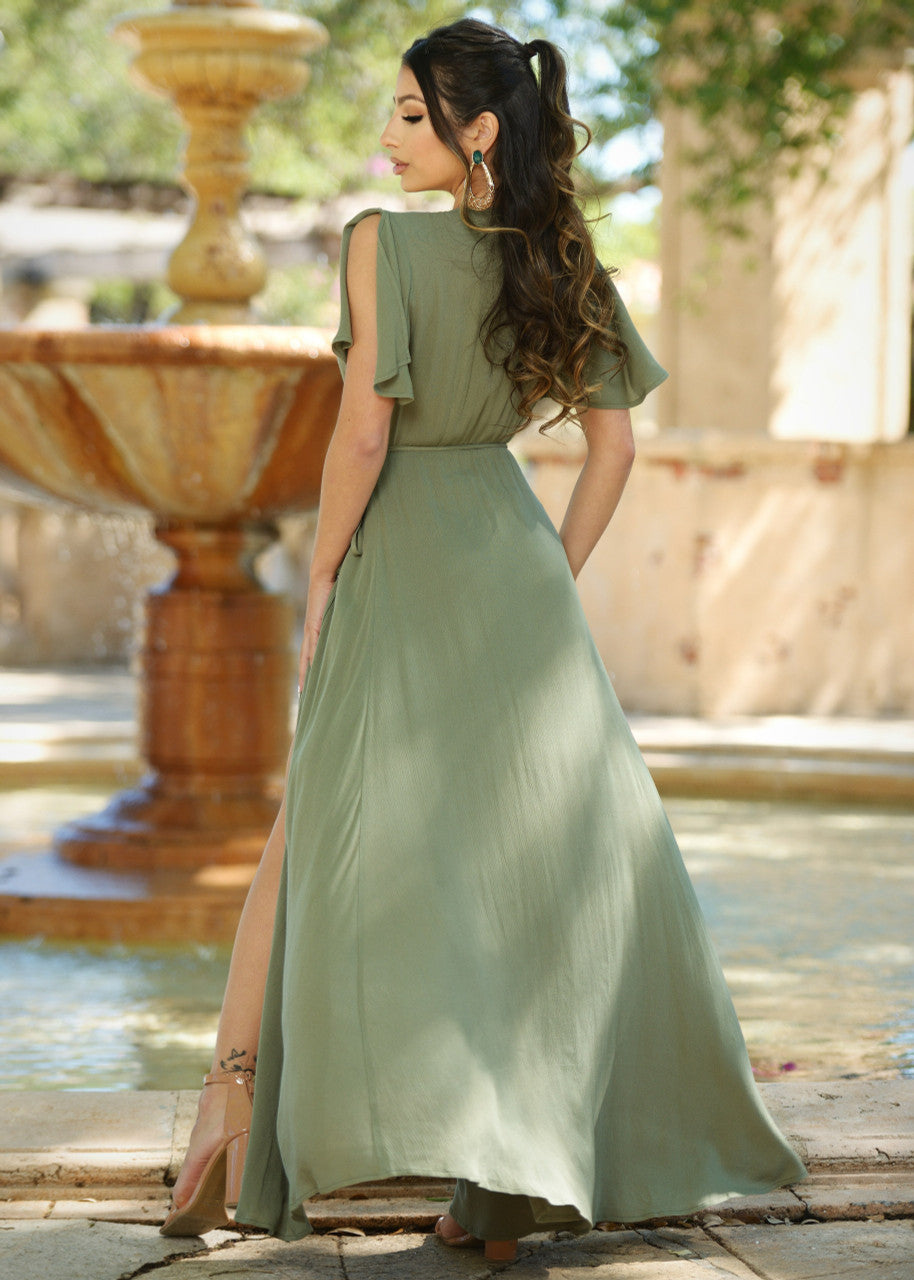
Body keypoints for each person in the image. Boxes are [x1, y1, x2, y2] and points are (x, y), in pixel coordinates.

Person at [159, 17, 807, 1263]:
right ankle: (497, 1194)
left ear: (478, 131)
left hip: (399, 553)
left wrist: (325, 577)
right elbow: (613, 447)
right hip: (511, 561)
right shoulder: (557, 261)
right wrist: (545, 577)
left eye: (411, 114)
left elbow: (361, 434)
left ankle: (245, 1128)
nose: (386, 137)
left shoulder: (377, 247)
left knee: (331, 849)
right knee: (527, 875)